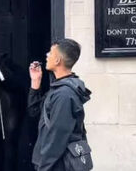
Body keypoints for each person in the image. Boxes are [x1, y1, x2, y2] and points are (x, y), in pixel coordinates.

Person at [27, 39, 92, 171]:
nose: (47, 55)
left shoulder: (64, 94)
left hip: (58, 165)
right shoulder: (59, 89)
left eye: (50, 53)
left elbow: (57, 137)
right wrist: (35, 81)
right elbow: (34, 112)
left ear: (57, 61)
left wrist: (44, 167)